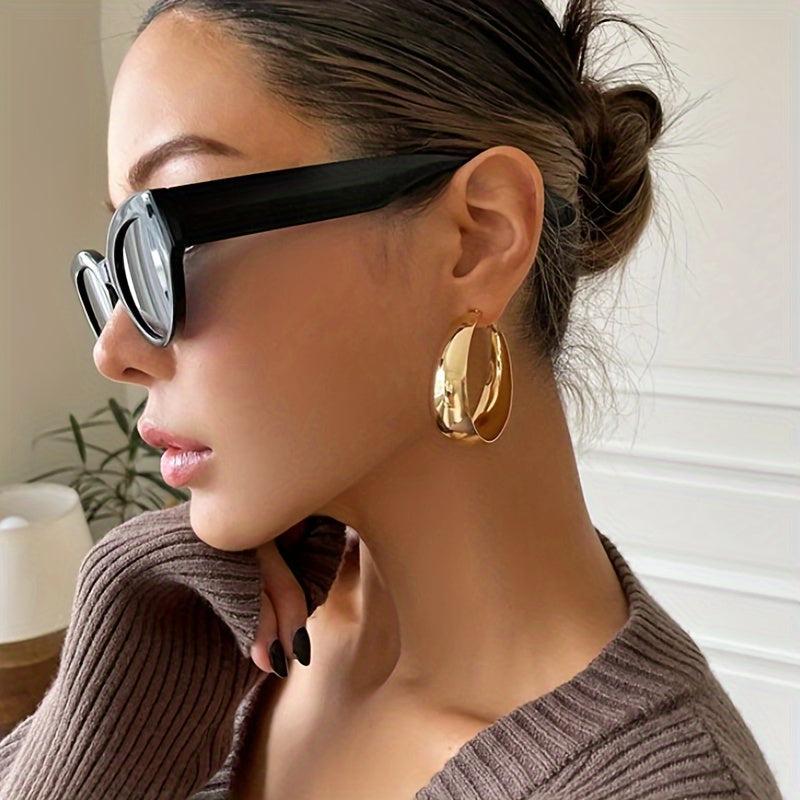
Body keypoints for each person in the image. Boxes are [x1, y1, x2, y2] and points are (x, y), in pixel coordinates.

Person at [0, 1, 784, 798]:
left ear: (478, 238)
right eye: (119, 258)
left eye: (166, 234)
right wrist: (109, 686)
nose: (115, 350)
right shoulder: (193, 642)